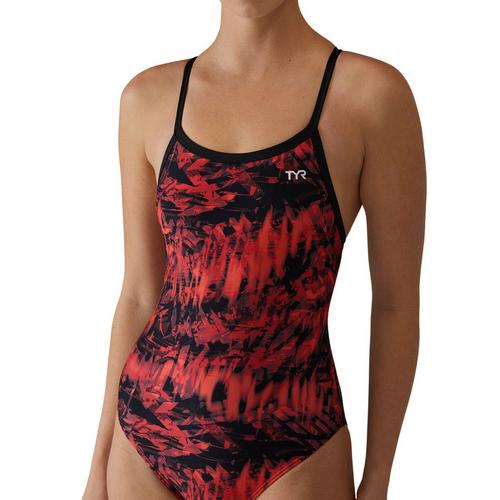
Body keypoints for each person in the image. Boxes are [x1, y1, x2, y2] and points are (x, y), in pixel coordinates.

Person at [83, 1, 425, 499]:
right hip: (145, 439)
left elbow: (396, 303)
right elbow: (139, 293)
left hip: (293, 447)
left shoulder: (369, 96)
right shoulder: (148, 98)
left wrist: (377, 481)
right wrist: (98, 467)